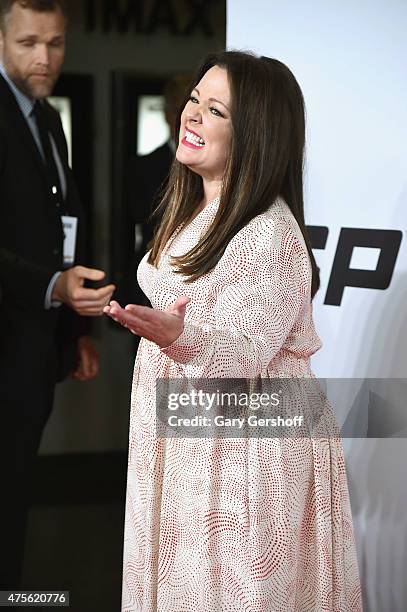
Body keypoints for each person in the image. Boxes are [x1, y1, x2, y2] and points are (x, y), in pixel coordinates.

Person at [105, 51, 362, 611]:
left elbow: (243, 349)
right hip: (194, 447)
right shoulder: (196, 209)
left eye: (214, 110)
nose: (191, 116)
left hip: (243, 462)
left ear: (255, 136)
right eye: (194, 100)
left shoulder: (269, 231)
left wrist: (180, 335)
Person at [0, 0, 115, 588]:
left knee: (15, 499)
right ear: (0, 38)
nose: (44, 58)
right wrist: (52, 287)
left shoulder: (47, 119)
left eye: (55, 43)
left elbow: (65, 224)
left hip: (34, 351)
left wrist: (77, 331)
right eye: (27, 43)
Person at [119, 75, 191, 307]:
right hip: (152, 278)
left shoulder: (217, 166)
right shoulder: (142, 167)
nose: (188, 119)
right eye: (180, 110)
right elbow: (132, 225)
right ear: (167, 115)